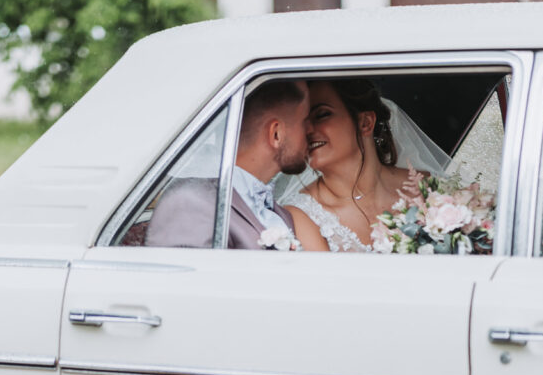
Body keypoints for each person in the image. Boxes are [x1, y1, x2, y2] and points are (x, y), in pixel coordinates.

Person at [281, 79, 448, 253]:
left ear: (365, 122)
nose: (307, 131)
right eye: (301, 121)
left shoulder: (427, 188)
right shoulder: (301, 217)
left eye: (322, 114)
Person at [145, 79, 310, 249]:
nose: (312, 131)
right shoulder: (189, 203)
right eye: (305, 122)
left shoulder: (282, 215)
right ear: (276, 134)